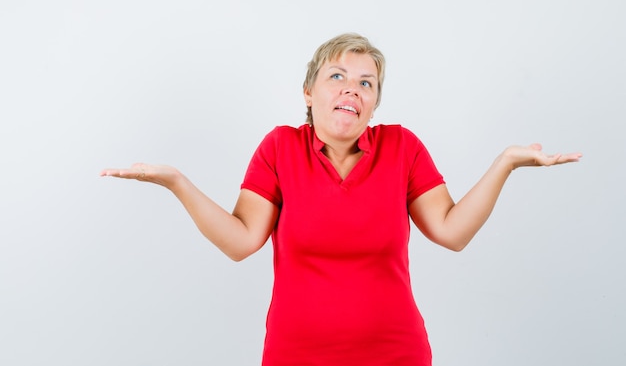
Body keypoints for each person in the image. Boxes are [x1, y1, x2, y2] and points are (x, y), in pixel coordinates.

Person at [101, 33, 582, 366]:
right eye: (337, 76)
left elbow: (452, 233)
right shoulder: (280, 148)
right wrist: (177, 183)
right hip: (296, 357)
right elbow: (242, 239)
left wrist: (505, 164)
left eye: (365, 82)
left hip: (396, 355)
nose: (352, 87)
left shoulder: (402, 148)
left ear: (373, 103)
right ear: (309, 93)